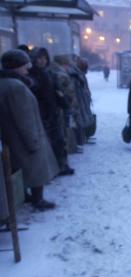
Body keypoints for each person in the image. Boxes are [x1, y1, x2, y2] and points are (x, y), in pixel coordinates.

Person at [0, 49, 59, 211]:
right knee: (35, 168)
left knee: (20, 168)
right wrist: (33, 140)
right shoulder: (16, 87)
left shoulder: (6, 84)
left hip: (11, 137)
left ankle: (26, 196)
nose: (28, 69)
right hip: (26, 137)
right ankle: (37, 199)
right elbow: (24, 116)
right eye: (24, 66)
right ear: (16, 67)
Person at [29, 47, 75, 176]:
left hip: (54, 111)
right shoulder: (32, 75)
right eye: (39, 58)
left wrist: (63, 102)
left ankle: (61, 165)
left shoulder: (49, 73)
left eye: (44, 58)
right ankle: (53, 168)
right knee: (48, 142)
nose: (42, 61)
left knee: (59, 140)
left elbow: (57, 91)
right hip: (42, 113)